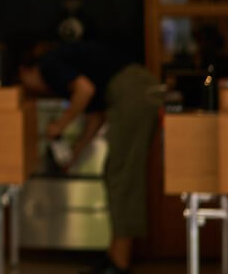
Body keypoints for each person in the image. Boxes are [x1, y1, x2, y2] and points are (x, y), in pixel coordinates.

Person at [17, 41, 161, 274]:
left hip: (134, 93)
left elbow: (84, 90)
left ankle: (119, 264)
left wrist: (60, 124)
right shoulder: (73, 65)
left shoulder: (49, 65)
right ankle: (114, 256)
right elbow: (95, 118)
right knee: (117, 173)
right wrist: (74, 156)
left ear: (26, 71)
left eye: (25, 83)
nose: (32, 90)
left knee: (123, 176)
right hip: (138, 91)